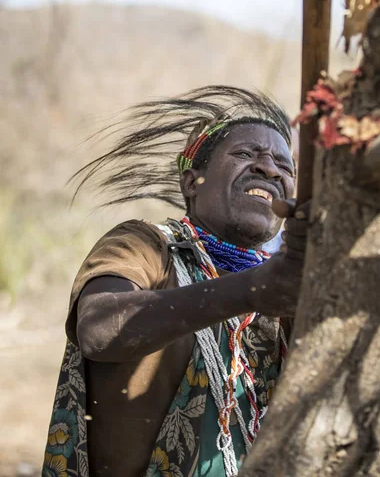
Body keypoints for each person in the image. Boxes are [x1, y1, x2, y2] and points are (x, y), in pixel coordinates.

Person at [42, 86, 309, 477]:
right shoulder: (146, 244)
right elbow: (99, 330)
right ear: (191, 183)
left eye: (284, 167)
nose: (269, 169)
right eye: (245, 155)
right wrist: (253, 289)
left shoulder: (287, 289)